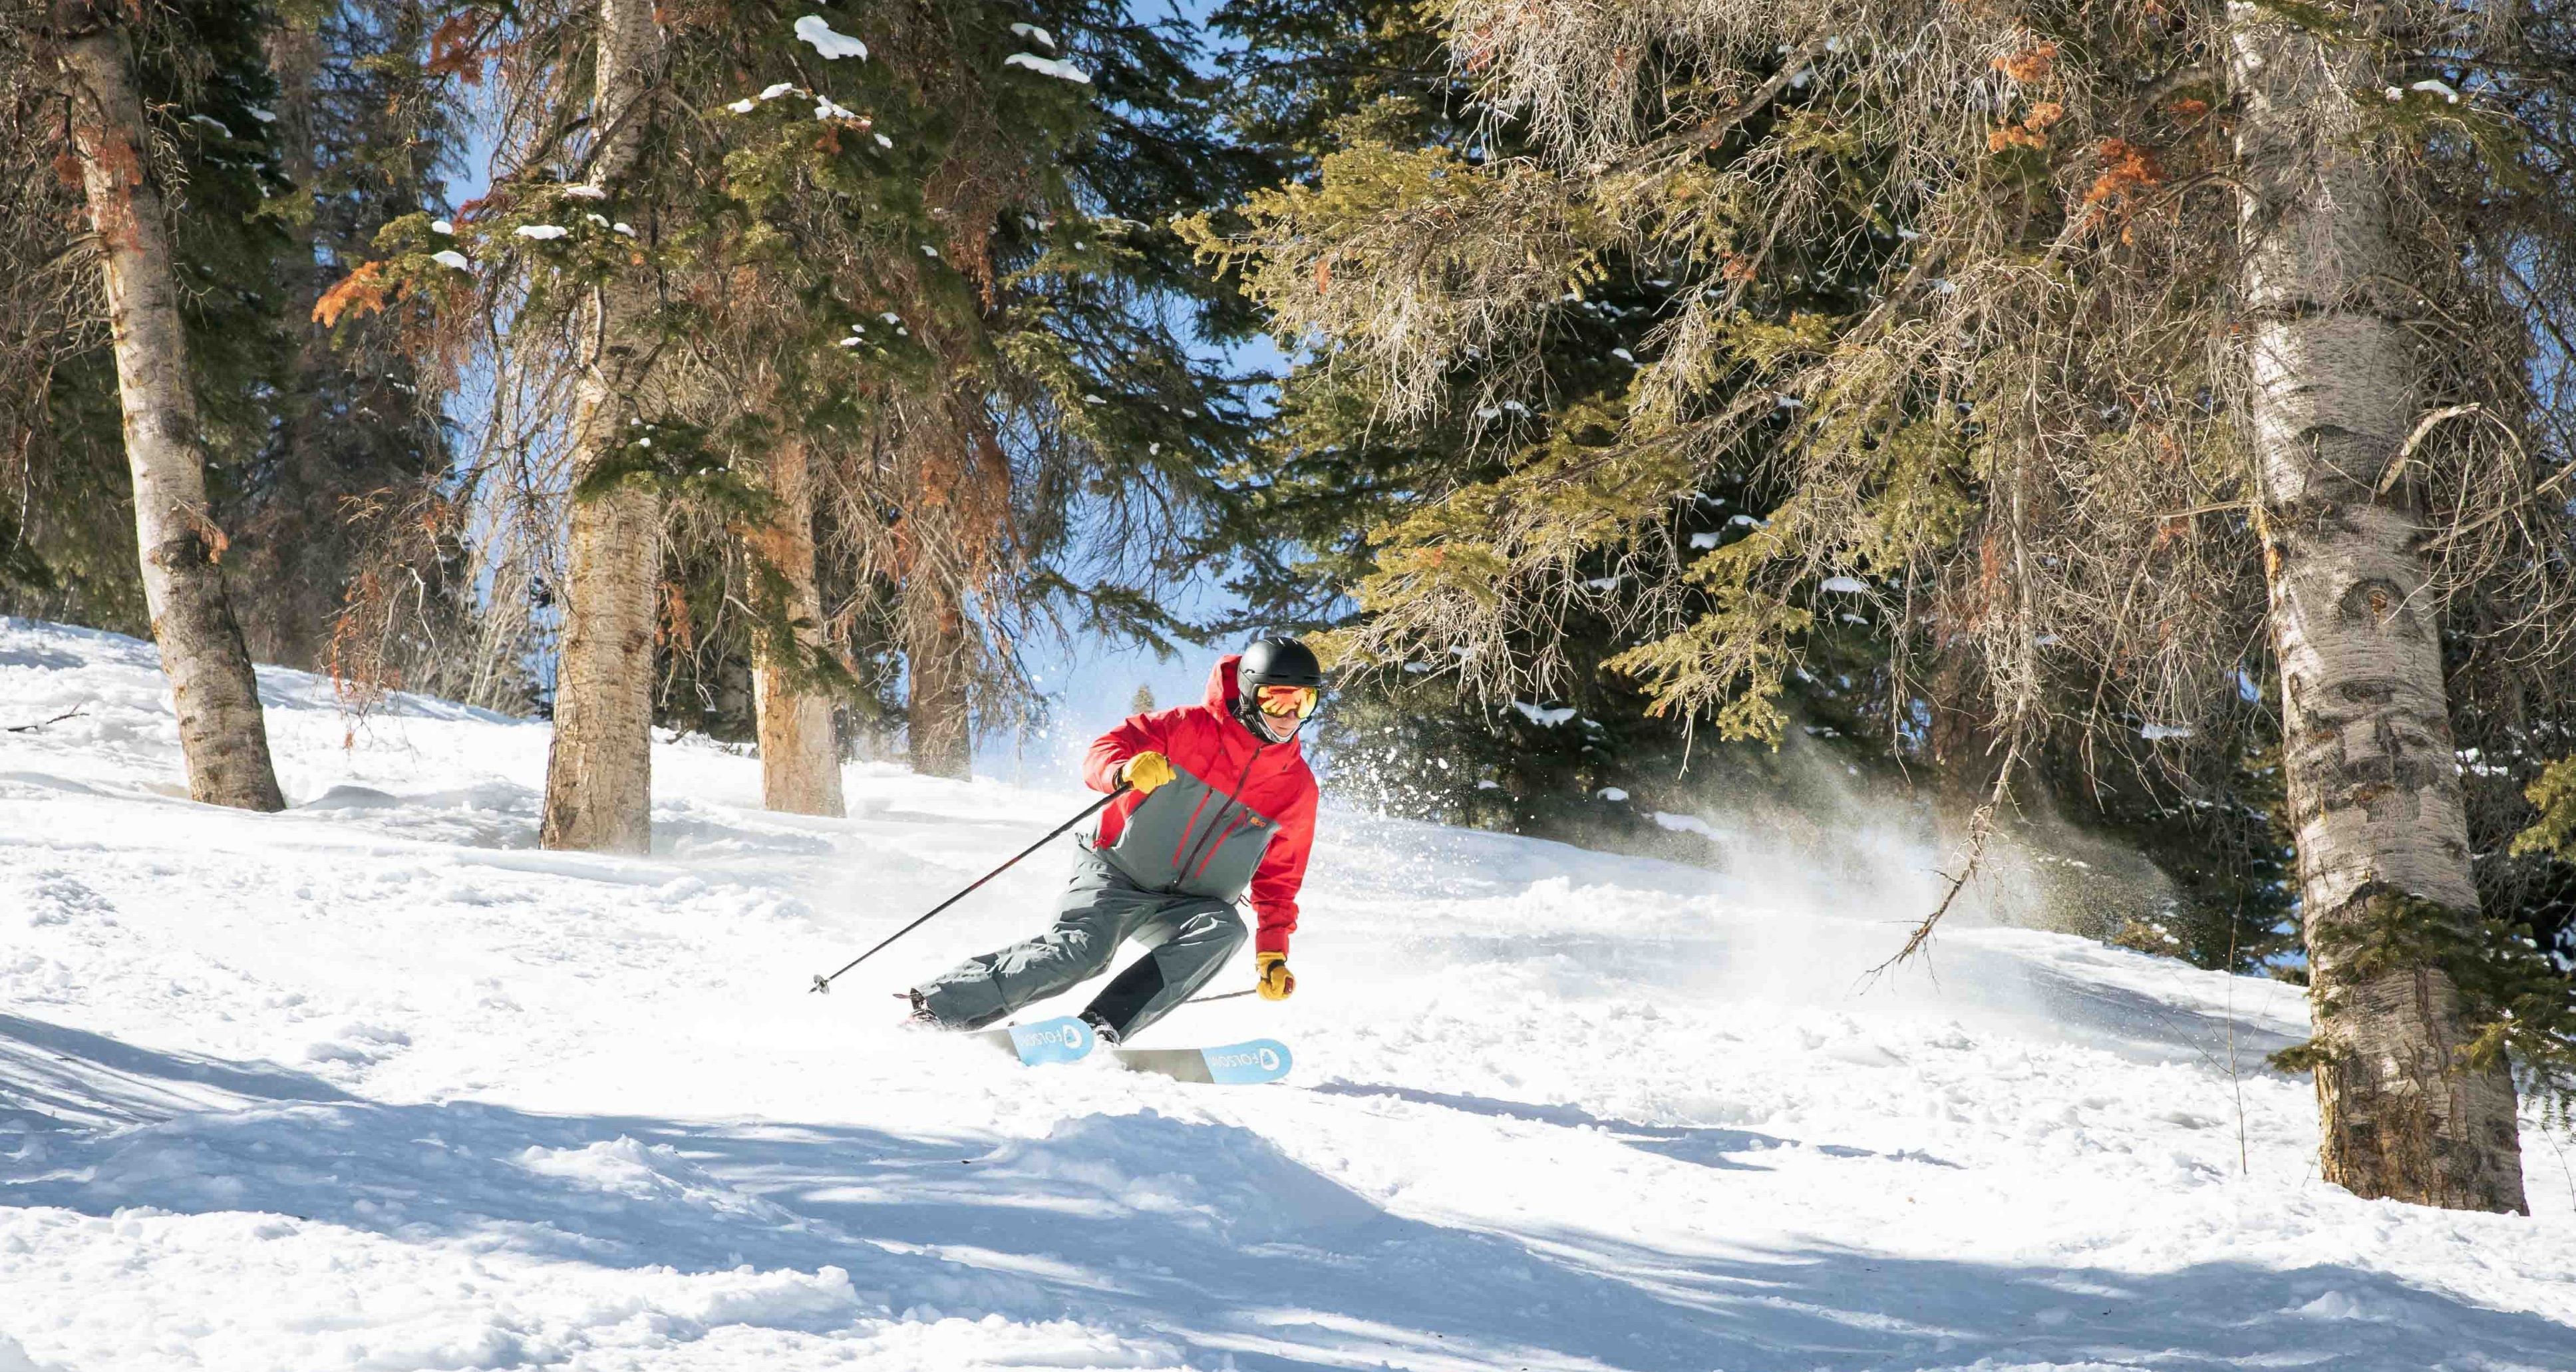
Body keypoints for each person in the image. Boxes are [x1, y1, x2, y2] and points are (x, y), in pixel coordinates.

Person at [905, 636, 1324, 1044]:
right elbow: (1104, 751)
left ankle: (1101, 1029)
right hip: (1117, 870)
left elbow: (1280, 878)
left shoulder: (1296, 787)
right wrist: (1122, 772)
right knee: (1081, 953)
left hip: (1191, 903)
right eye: (1277, 699)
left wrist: (1273, 952)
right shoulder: (1184, 728)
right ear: (1250, 695)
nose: (1289, 715)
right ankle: (940, 1008)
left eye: (1303, 702)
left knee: (1225, 930)